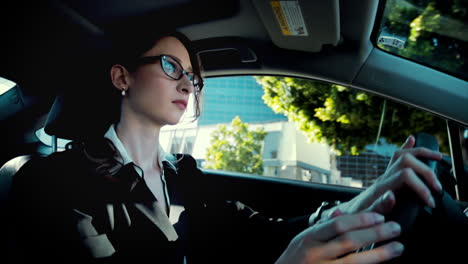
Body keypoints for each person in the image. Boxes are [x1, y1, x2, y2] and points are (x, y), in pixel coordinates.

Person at [8, 30, 443, 264]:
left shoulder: (184, 175)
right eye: (169, 65)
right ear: (122, 77)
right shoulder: (50, 182)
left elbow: (253, 234)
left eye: (192, 77)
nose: (187, 83)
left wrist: (368, 200)